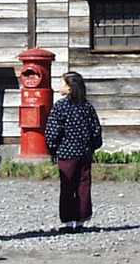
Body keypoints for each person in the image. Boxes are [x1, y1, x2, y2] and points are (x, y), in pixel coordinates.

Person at [43, 71, 102, 233]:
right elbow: (96, 130)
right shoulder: (87, 106)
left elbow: (53, 132)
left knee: (68, 187)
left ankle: (68, 221)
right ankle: (82, 220)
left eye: (62, 83)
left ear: (69, 87)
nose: (59, 87)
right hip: (84, 153)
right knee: (83, 185)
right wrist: (92, 147)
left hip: (66, 154)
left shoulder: (61, 107)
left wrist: (52, 148)